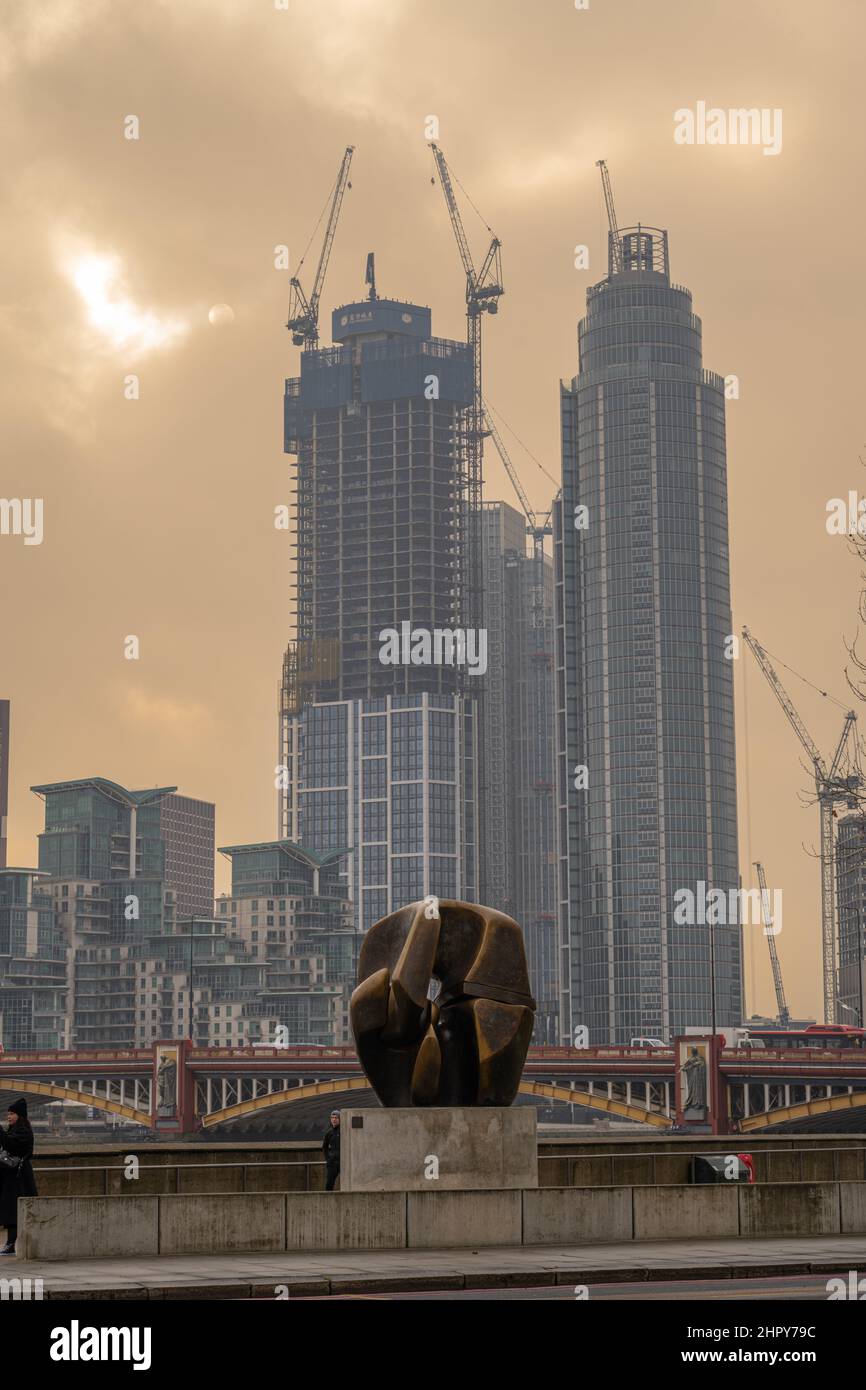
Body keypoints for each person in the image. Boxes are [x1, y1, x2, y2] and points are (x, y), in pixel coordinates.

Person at [0, 1098, 37, 1256]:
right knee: (11, 1210)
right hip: (12, 1176)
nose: (9, 1116)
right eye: (8, 1114)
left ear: (20, 1116)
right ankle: (11, 1243)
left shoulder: (23, 1131)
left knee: (14, 1211)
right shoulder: (14, 1130)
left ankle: (11, 1243)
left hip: (19, 1178)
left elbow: (11, 1145)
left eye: (12, 1114)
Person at [322, 1109, 340, 1191]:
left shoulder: (344, 1131)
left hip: (343, 1162)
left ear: (340, 1119)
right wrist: (327, 1159)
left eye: (336, 1118)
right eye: (332, 1118)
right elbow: (324, 1147)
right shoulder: (329, 1133)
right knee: (329, 1184)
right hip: (332, 1162)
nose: (334, 1120)